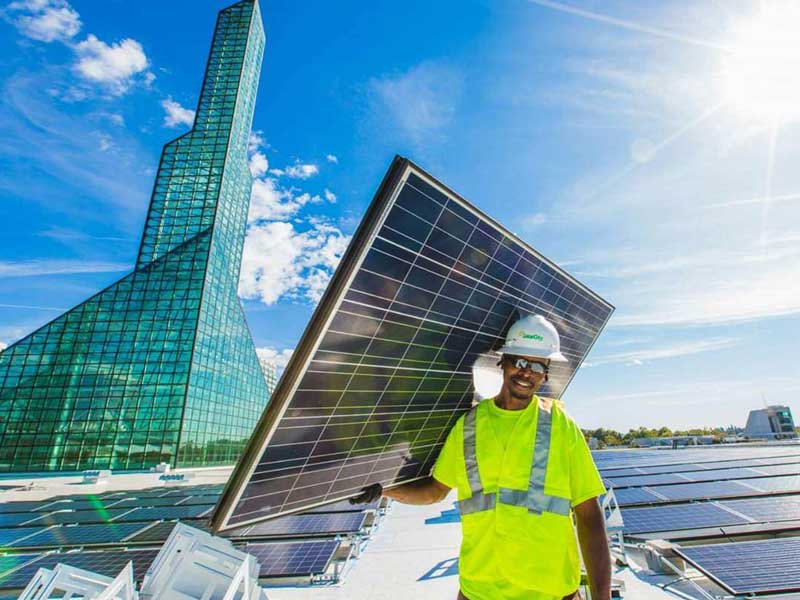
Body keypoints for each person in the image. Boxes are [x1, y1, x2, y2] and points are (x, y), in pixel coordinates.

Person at [351, 314, 611, 600]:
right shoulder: (469, 426)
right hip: (479, 591)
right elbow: (435, 490)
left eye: (538, 365)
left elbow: (589, 515)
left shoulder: (561, 425)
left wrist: (602, 597)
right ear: (503, 361)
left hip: (550, 594)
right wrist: (385, 490)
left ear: (546, 372)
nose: (527, 373)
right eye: (520, 362)